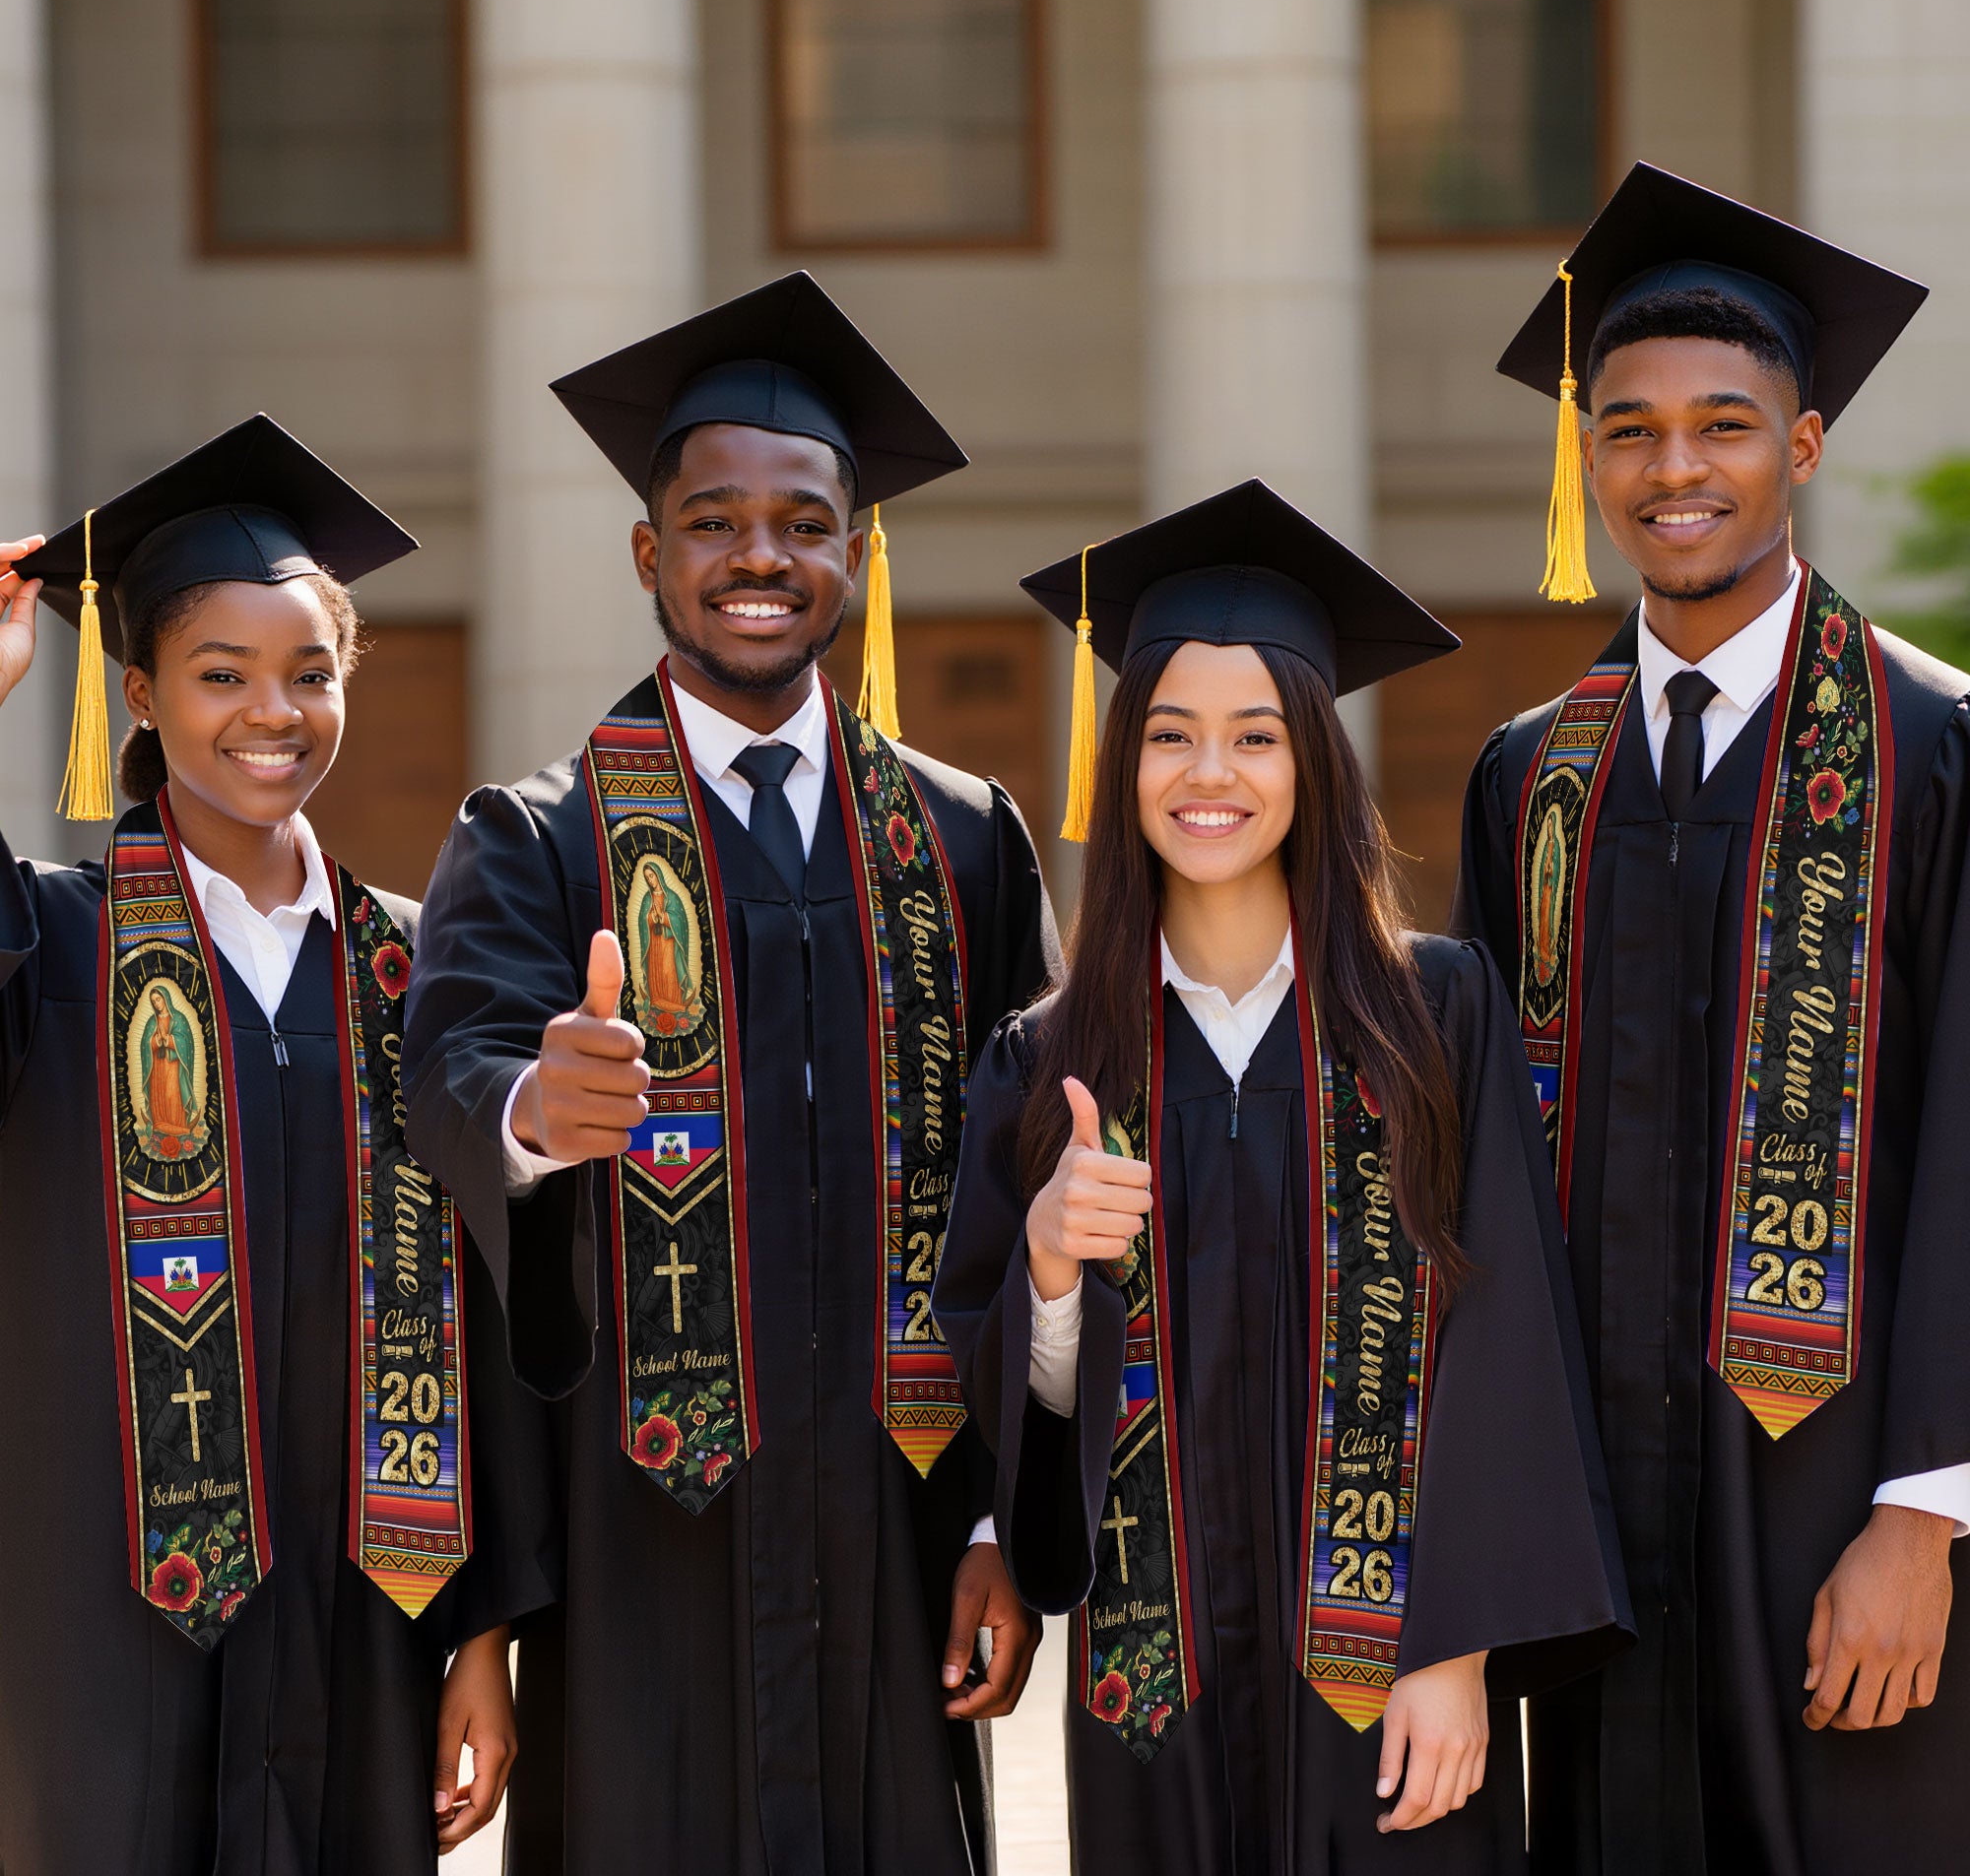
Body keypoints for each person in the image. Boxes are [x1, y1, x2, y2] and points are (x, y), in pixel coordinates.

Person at [401, 273, 1060, 1872]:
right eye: (712, 523)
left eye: (803, 523)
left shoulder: (962, 842)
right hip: (641, 1550)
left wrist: (1000, 1518)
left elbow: (1033, 1188)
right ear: (651, 554)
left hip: (899, 1532)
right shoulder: (540, 839)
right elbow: (449, 1078)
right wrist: (533, 1112)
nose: (760, 557)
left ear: (858, 553)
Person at [935, 480, 1629, 1875]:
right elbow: (1014, 1420)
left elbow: (1509, 1336)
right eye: (1170, 734)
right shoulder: (1051, 1059)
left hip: (1394, 1684)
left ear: (1314, 761)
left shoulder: (1437, 1016)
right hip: (1153, 1700)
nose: (1212, 775)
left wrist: (1458, 1650)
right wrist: (1052, 1273)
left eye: (1255, 736)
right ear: (1122, 763)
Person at [1454, 162, 1970, 1875]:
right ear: (1587, 459)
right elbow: (1478, 1168)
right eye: (1631, 429)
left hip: (1844, 1500)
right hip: (1597, 1515)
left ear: (1802, 447)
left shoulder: (1934, 750)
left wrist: (1926, 1512)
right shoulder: (1534, 777)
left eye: (1725, 425)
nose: (1675, 467)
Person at [0, 417, 558, 1876]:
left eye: (311, 673)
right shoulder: (49, 947)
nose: (274, 712)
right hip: (95, 1629)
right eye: (221, 675)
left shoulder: (418, 971)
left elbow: (489, 1312)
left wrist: (483, 1638)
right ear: (138, 693)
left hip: (365, 1612)